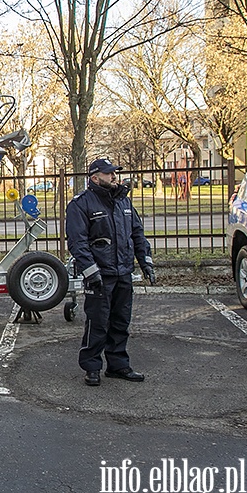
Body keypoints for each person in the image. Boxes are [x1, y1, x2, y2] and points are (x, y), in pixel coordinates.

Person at [66, 158, 155, 387]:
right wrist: (91, 272)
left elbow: (137, 234)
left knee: (120, 321)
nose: (114, 176)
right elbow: (78, 242)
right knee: (98, 322)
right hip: (100, 275)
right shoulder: (81, 204)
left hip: (123, 271)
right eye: (109, 174)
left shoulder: (124, 202)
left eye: (115, 173)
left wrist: (146, 262)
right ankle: (92, 367)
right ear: (95, 178)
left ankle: (118, 365)